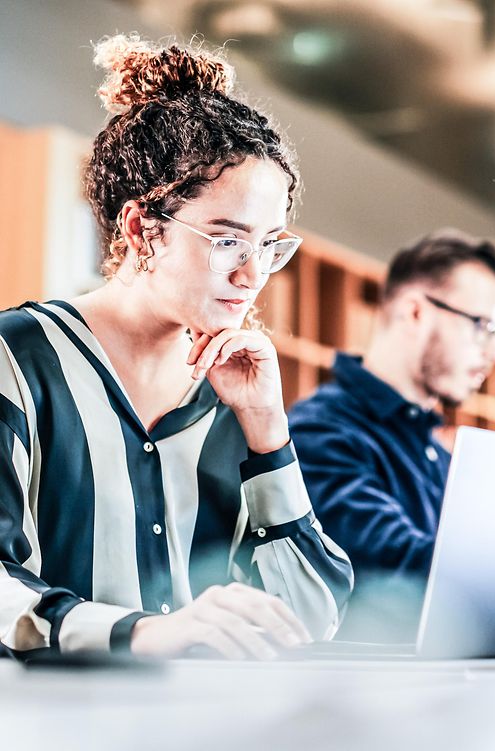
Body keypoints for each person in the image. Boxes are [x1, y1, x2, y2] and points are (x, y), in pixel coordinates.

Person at [0, 34, 352, 661]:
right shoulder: (18, 359)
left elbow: (309, 617)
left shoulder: (232, 396)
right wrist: (144, 634)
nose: (252, 276)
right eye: (226, 240)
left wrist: (269, 430)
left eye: (270, 245)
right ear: (141, 229)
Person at [288, 230, 495, 634]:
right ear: (415, 313)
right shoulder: (319, 432)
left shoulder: (437, 455)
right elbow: (393, 565)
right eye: (482, 326)